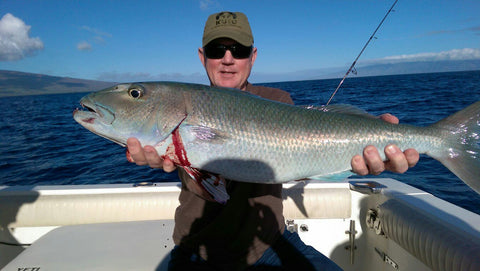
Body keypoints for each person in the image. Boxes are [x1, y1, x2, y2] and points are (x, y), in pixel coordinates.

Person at [126, 11, 420, 270]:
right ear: (203, 57)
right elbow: (207, 185)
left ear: (252, 56)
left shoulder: (277, 101)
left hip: (267, 244)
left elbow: (304, 159)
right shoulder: (180, 110)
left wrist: (367, 148)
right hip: (197, 250)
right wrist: (167, 156)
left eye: (238, 50)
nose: (228, 59)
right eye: (217, 50)